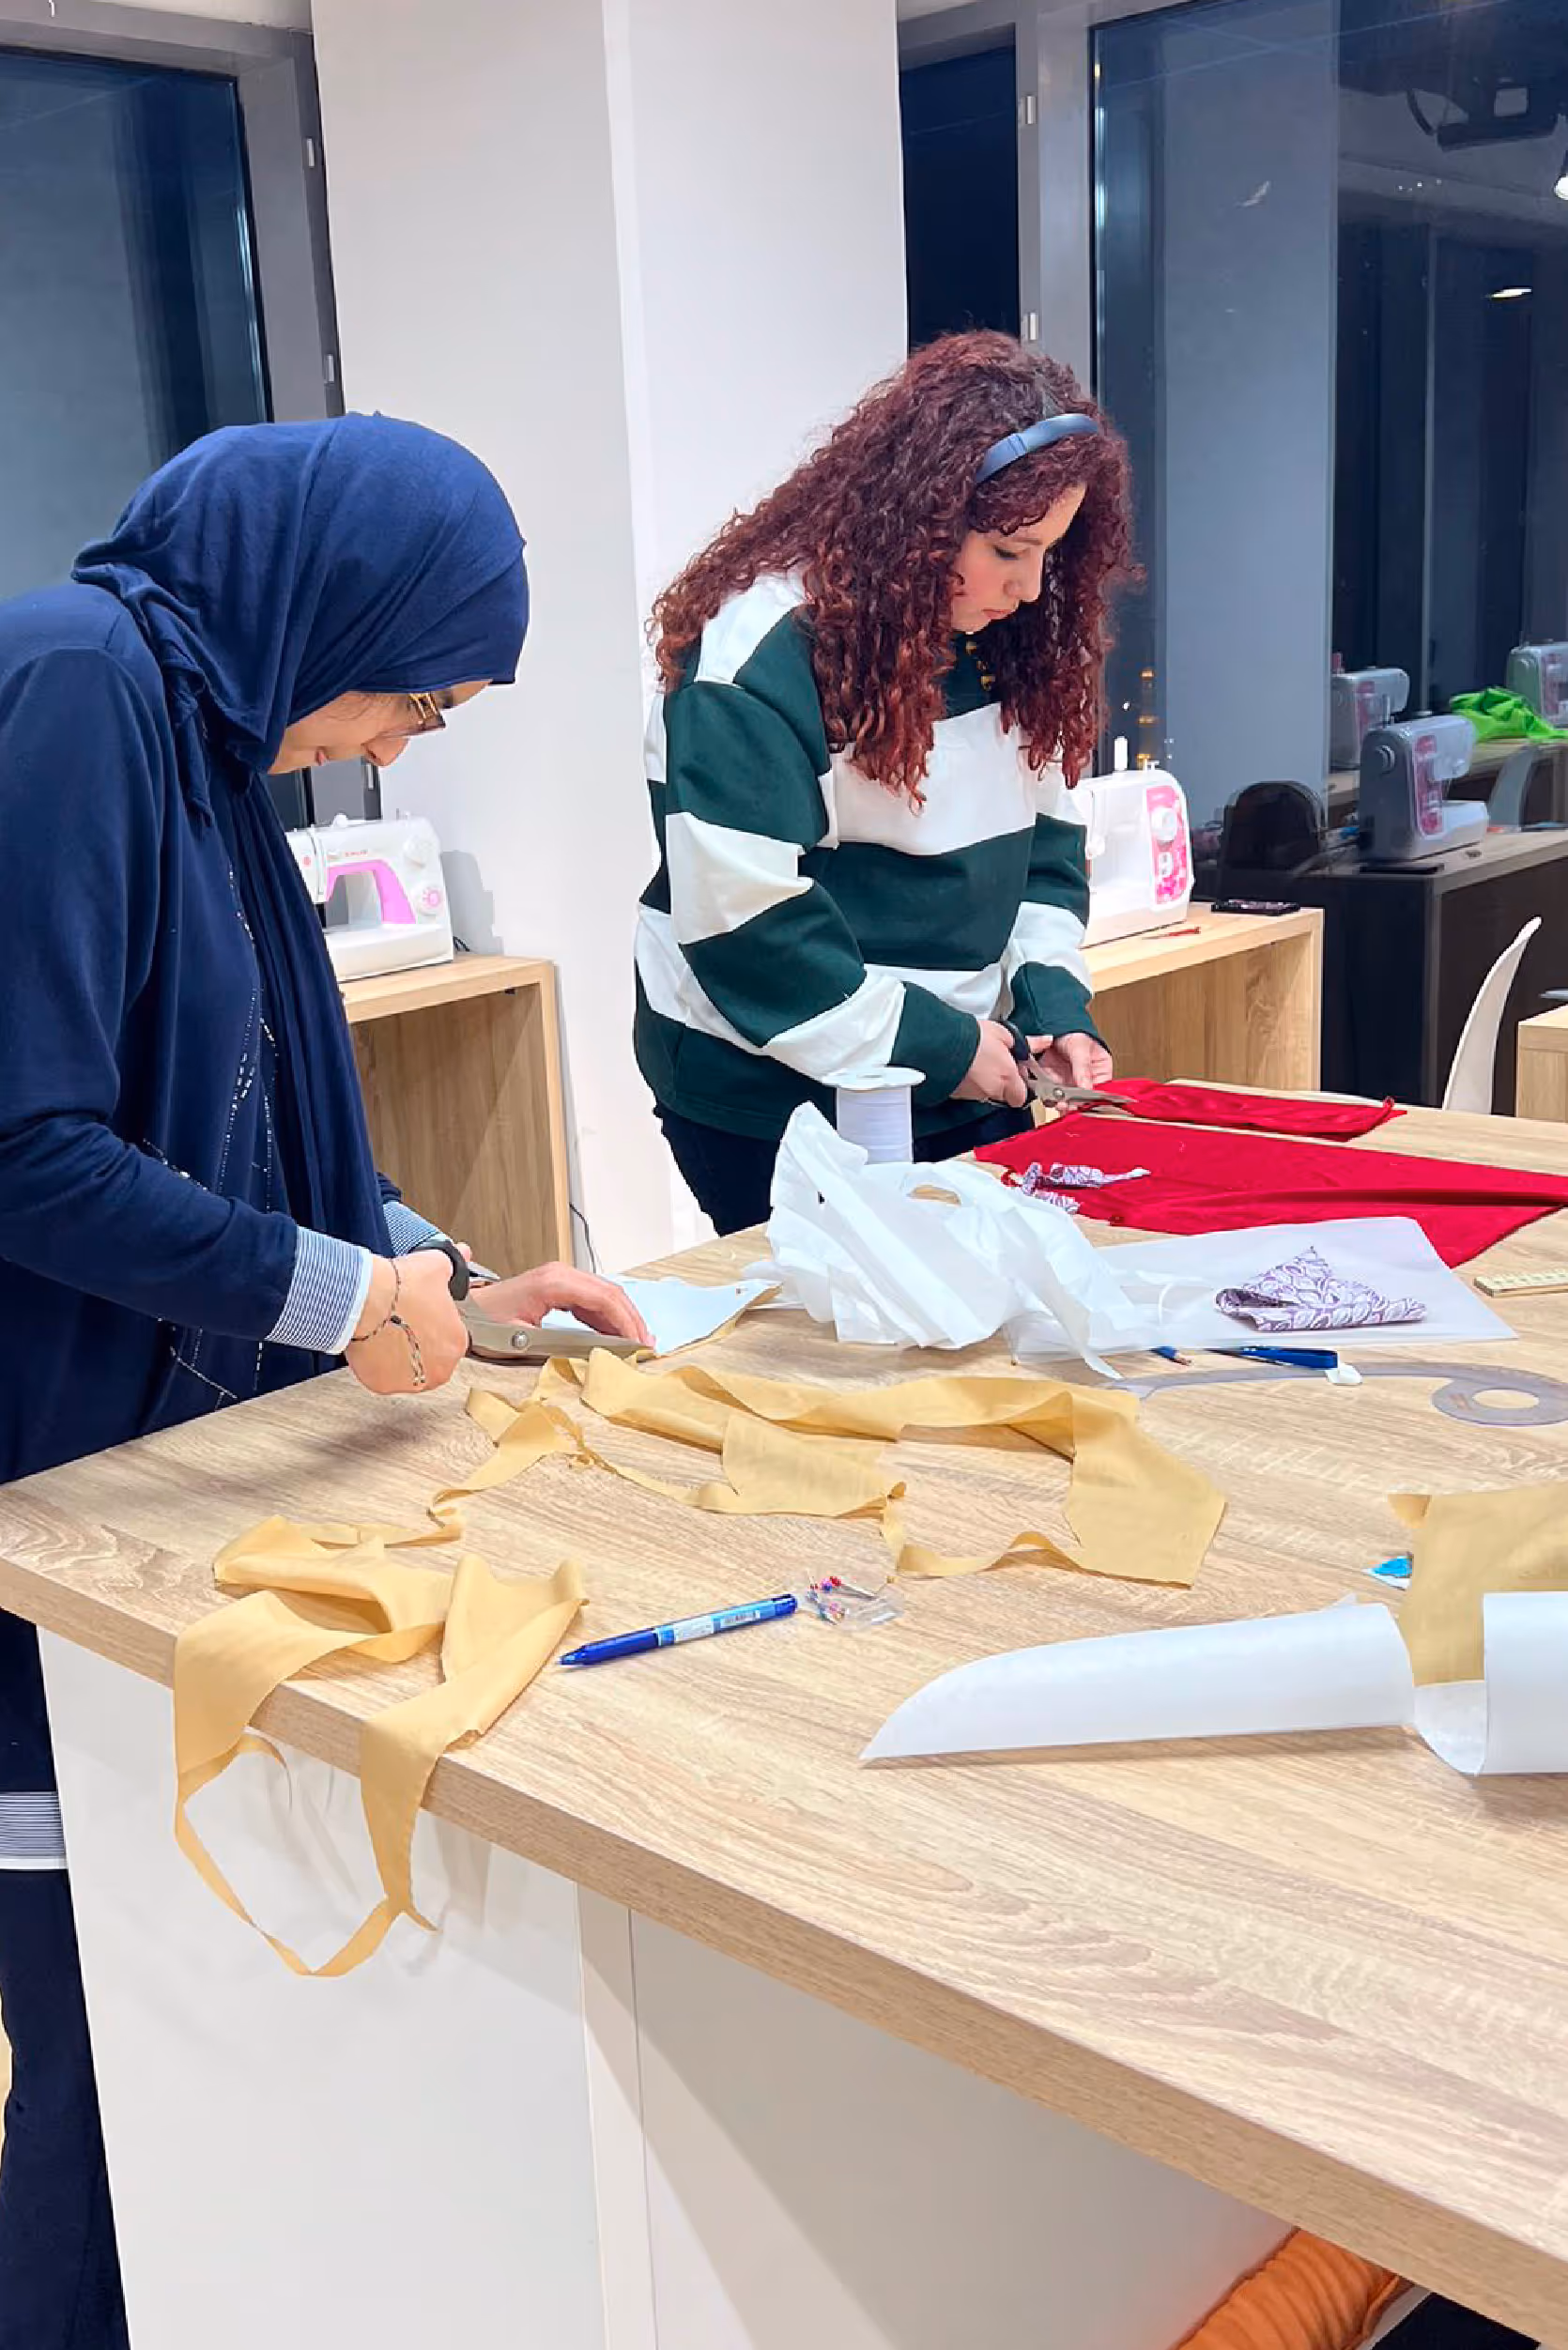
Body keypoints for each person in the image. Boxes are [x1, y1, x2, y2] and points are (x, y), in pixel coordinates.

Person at [0, 413, 648, 2348]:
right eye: (413, 697)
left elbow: (253, 1114)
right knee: (107, 2050)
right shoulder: (78, 690)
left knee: (190, 2038)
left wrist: (454, 1276)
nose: (388, 747)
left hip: (153, 1493)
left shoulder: (197, 738)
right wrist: (338, 1286)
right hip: (48, 1486)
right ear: (323, 605)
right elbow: (27, 1142)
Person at [634, 330, 1133, 1235]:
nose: (1027, 589)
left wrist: (1054, 1005)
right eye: (1008, 550)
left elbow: (1042, 863)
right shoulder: (755, 666)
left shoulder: (1006, 649)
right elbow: (752, 931)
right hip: (770, 1095)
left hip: (959, 1068)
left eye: (1048, 556)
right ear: (920, 522)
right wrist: (941, 1047)